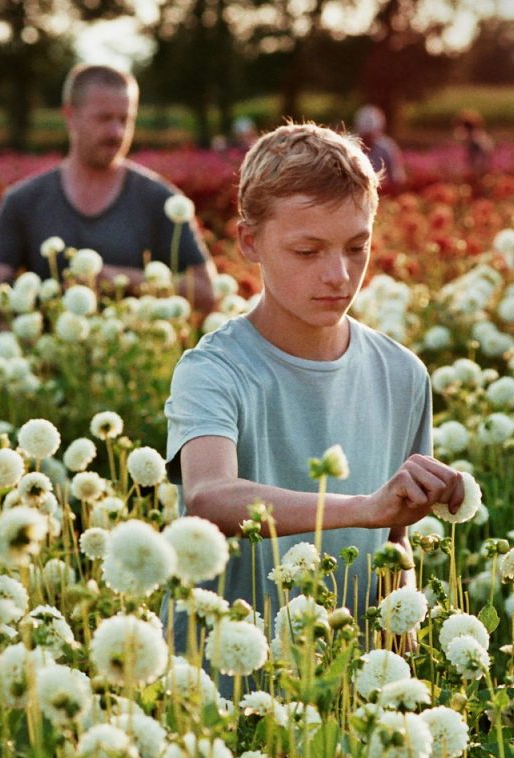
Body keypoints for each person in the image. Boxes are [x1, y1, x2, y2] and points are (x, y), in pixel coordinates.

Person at [165, 123, 464, 632]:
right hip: (226, 685)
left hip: (348, 691)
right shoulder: (213, 369)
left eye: (356, 247)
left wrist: (401, 650)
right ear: (249, 241)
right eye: (308, 251)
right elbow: (210, 496)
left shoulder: (403, 373)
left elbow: (395, 546)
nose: (339, 276)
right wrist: (364, 507)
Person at [0, 64, 216, 331]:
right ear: (70, 116)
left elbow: (205, 291)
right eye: (104, 118)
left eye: (125, 120)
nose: (116, 133)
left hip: (134, 360)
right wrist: (15, 351)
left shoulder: (161, 200)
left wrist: (119, 279)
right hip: (50, 362)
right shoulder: (22, 201)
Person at [354, 105, 406, 188]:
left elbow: (397, 179)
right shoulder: (351, 147)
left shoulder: (388, 148)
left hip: (382, 193)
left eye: (371, 136)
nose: (367, 141)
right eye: (365, 136)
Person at [453, 109, 493, 187]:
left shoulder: (476, 138)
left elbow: (483, 154)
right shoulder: (480, 135)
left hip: (478, 167)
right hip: (480, 166)